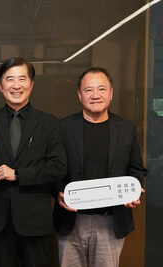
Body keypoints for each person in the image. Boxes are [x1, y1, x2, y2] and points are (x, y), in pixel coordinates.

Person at [0, 57, 67, 267]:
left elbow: (58, 167)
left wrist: (18, 174)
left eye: (22, 79)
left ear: (31, 84)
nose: (16, 85)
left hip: (35, 221)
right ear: (0, 85)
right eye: (9, 79)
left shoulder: (49, 123)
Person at [53, 67, 148, 267]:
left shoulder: (126, 129)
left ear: (111, 93)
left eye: (102, 89)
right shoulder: (63, 128)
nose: (95, 95)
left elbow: (137, 170)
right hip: (72, 219)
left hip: (111, 221)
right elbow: (54, 169)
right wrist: (58, 192)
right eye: (88, 90)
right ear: (79, 95)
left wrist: (134, 191)